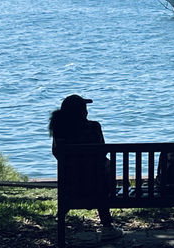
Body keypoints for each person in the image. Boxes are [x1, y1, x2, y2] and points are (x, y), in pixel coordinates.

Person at [49, 94, 123, 241]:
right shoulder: (94, 127)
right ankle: (107, 227)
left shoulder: (60, 132)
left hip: (71, 188)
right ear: (82, 112)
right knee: (102, 169)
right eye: (85, 108)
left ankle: (61, 233)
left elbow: (57, 154)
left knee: (97, 172)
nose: (87, 111)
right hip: (98, 188)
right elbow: (102, 151)